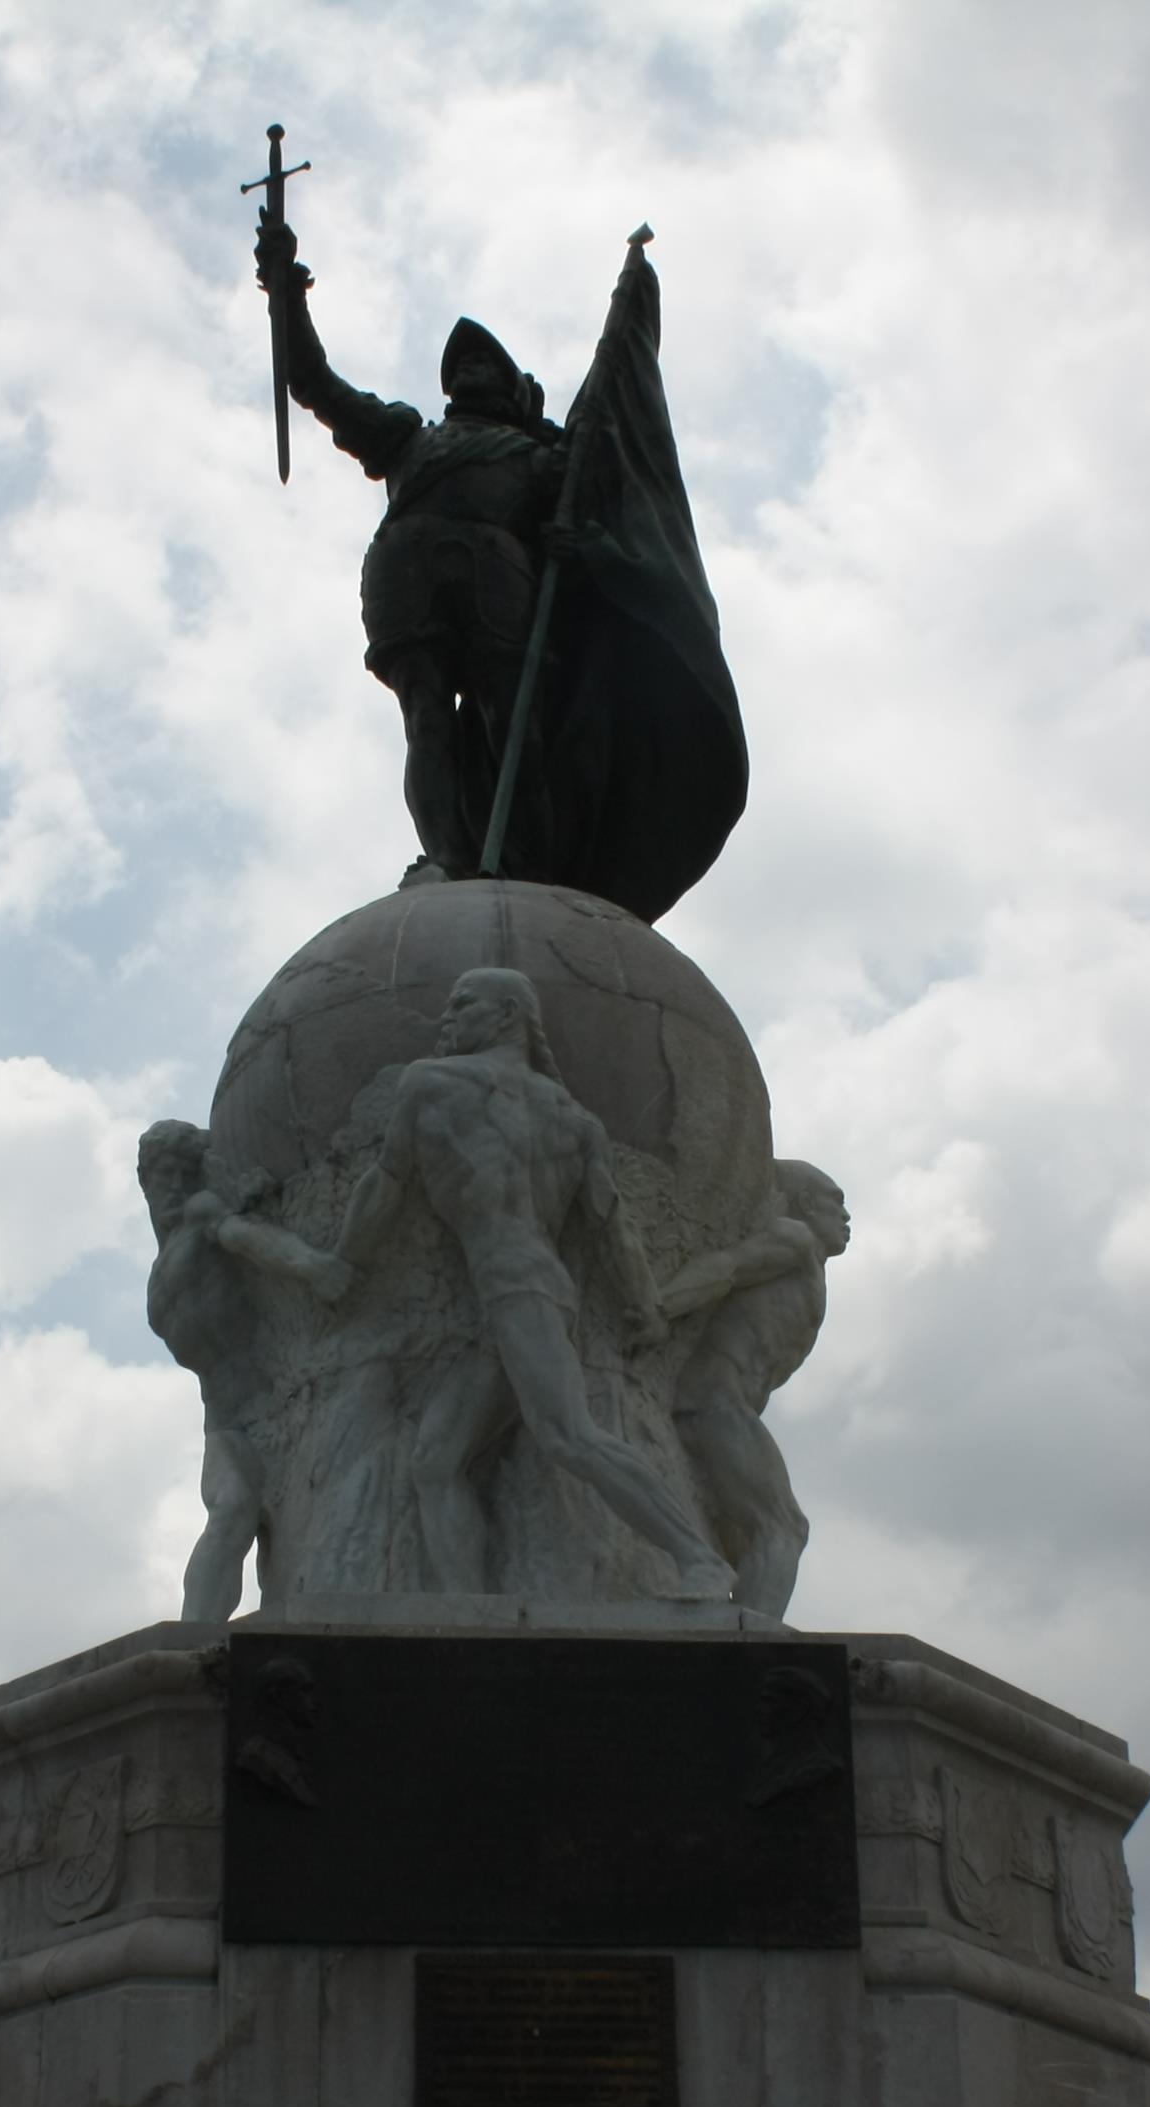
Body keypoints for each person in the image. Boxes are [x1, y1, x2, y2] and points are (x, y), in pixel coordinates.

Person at [316, 969, 735, 1600]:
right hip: (523, 1294)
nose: (446, 1018)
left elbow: (386, 1183)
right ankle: (467, 1610)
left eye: (462, 1004)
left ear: (509, 1014)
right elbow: (611, 1225)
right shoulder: (574, 1119)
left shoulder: (430, 1083)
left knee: (571, 1435)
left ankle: (699, 1558)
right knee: (436, 1459)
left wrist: (344, 1262)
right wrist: (642, 1303)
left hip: (519, 1290)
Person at [258, 211, 567, 886]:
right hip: (410, 571)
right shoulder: (407, 437)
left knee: (510, 718)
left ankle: (526, 863)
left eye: (489, 362)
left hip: (497, 577)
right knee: (426, 718)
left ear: (516, 389)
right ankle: (452, 861)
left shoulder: (543, 458)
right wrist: (286, 293)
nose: (472, 368)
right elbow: (315, 382)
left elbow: (593, 515)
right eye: (464, 363)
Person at [140, 1120, 349, 1623]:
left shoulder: (203, 1216)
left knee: (239, 1512)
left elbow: (249, 1239)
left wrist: (313, 1266)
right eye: (156, 1176)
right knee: (234, 1513)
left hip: (276, 1405)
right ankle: (195, 1649)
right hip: (225, 1419)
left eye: (178, 1173)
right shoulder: (163, 1262)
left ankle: (196, 1648)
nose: (167, 1186)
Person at [651, 1161, 850, 1618]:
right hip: (712, 1404)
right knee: (783, 1526)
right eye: (835, 1200)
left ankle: (731, 1629)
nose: (846, 1216)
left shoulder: (808, 1267)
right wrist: (660, 1306)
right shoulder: (795, 1240)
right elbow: (728, 1267)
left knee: (741, 1544)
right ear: (804, 1203)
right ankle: (751, 1648)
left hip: (726, 1408)